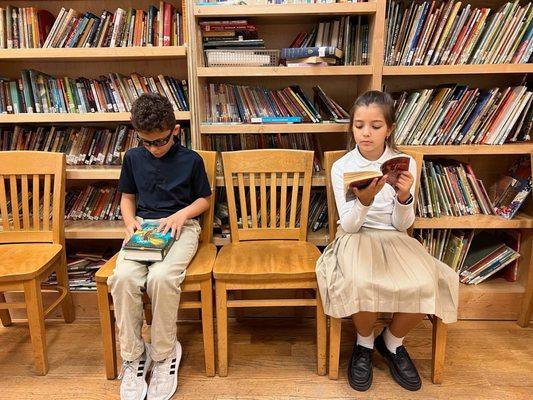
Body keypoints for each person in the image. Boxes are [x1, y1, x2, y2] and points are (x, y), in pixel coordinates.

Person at [316, 90, 459, 392]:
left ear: (389, 128)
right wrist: (364, 201)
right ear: (352, 127)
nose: (366, 133)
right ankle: (364, 343)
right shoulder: (342, 166)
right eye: (359, 125)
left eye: (375, 126)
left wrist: (404, 197)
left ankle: (392, 342)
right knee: (360, 279)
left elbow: (402, 224)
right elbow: (351, 226)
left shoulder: (404, 163)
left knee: (426, 281)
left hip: (394, 237)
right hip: (356, 235)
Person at [108, 93, 211, 400]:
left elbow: (204, 200)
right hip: (144, 228)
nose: (153, 149)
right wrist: (129, 222)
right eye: (146, 142)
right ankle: (134, 356)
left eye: (160, 141)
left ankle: (165, 354)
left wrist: (182, 214)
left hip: (182, 226)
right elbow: (127, 197)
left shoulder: (191, 160)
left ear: (175, 129)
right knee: (123, 278)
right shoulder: (132, 158)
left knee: (162, 278)